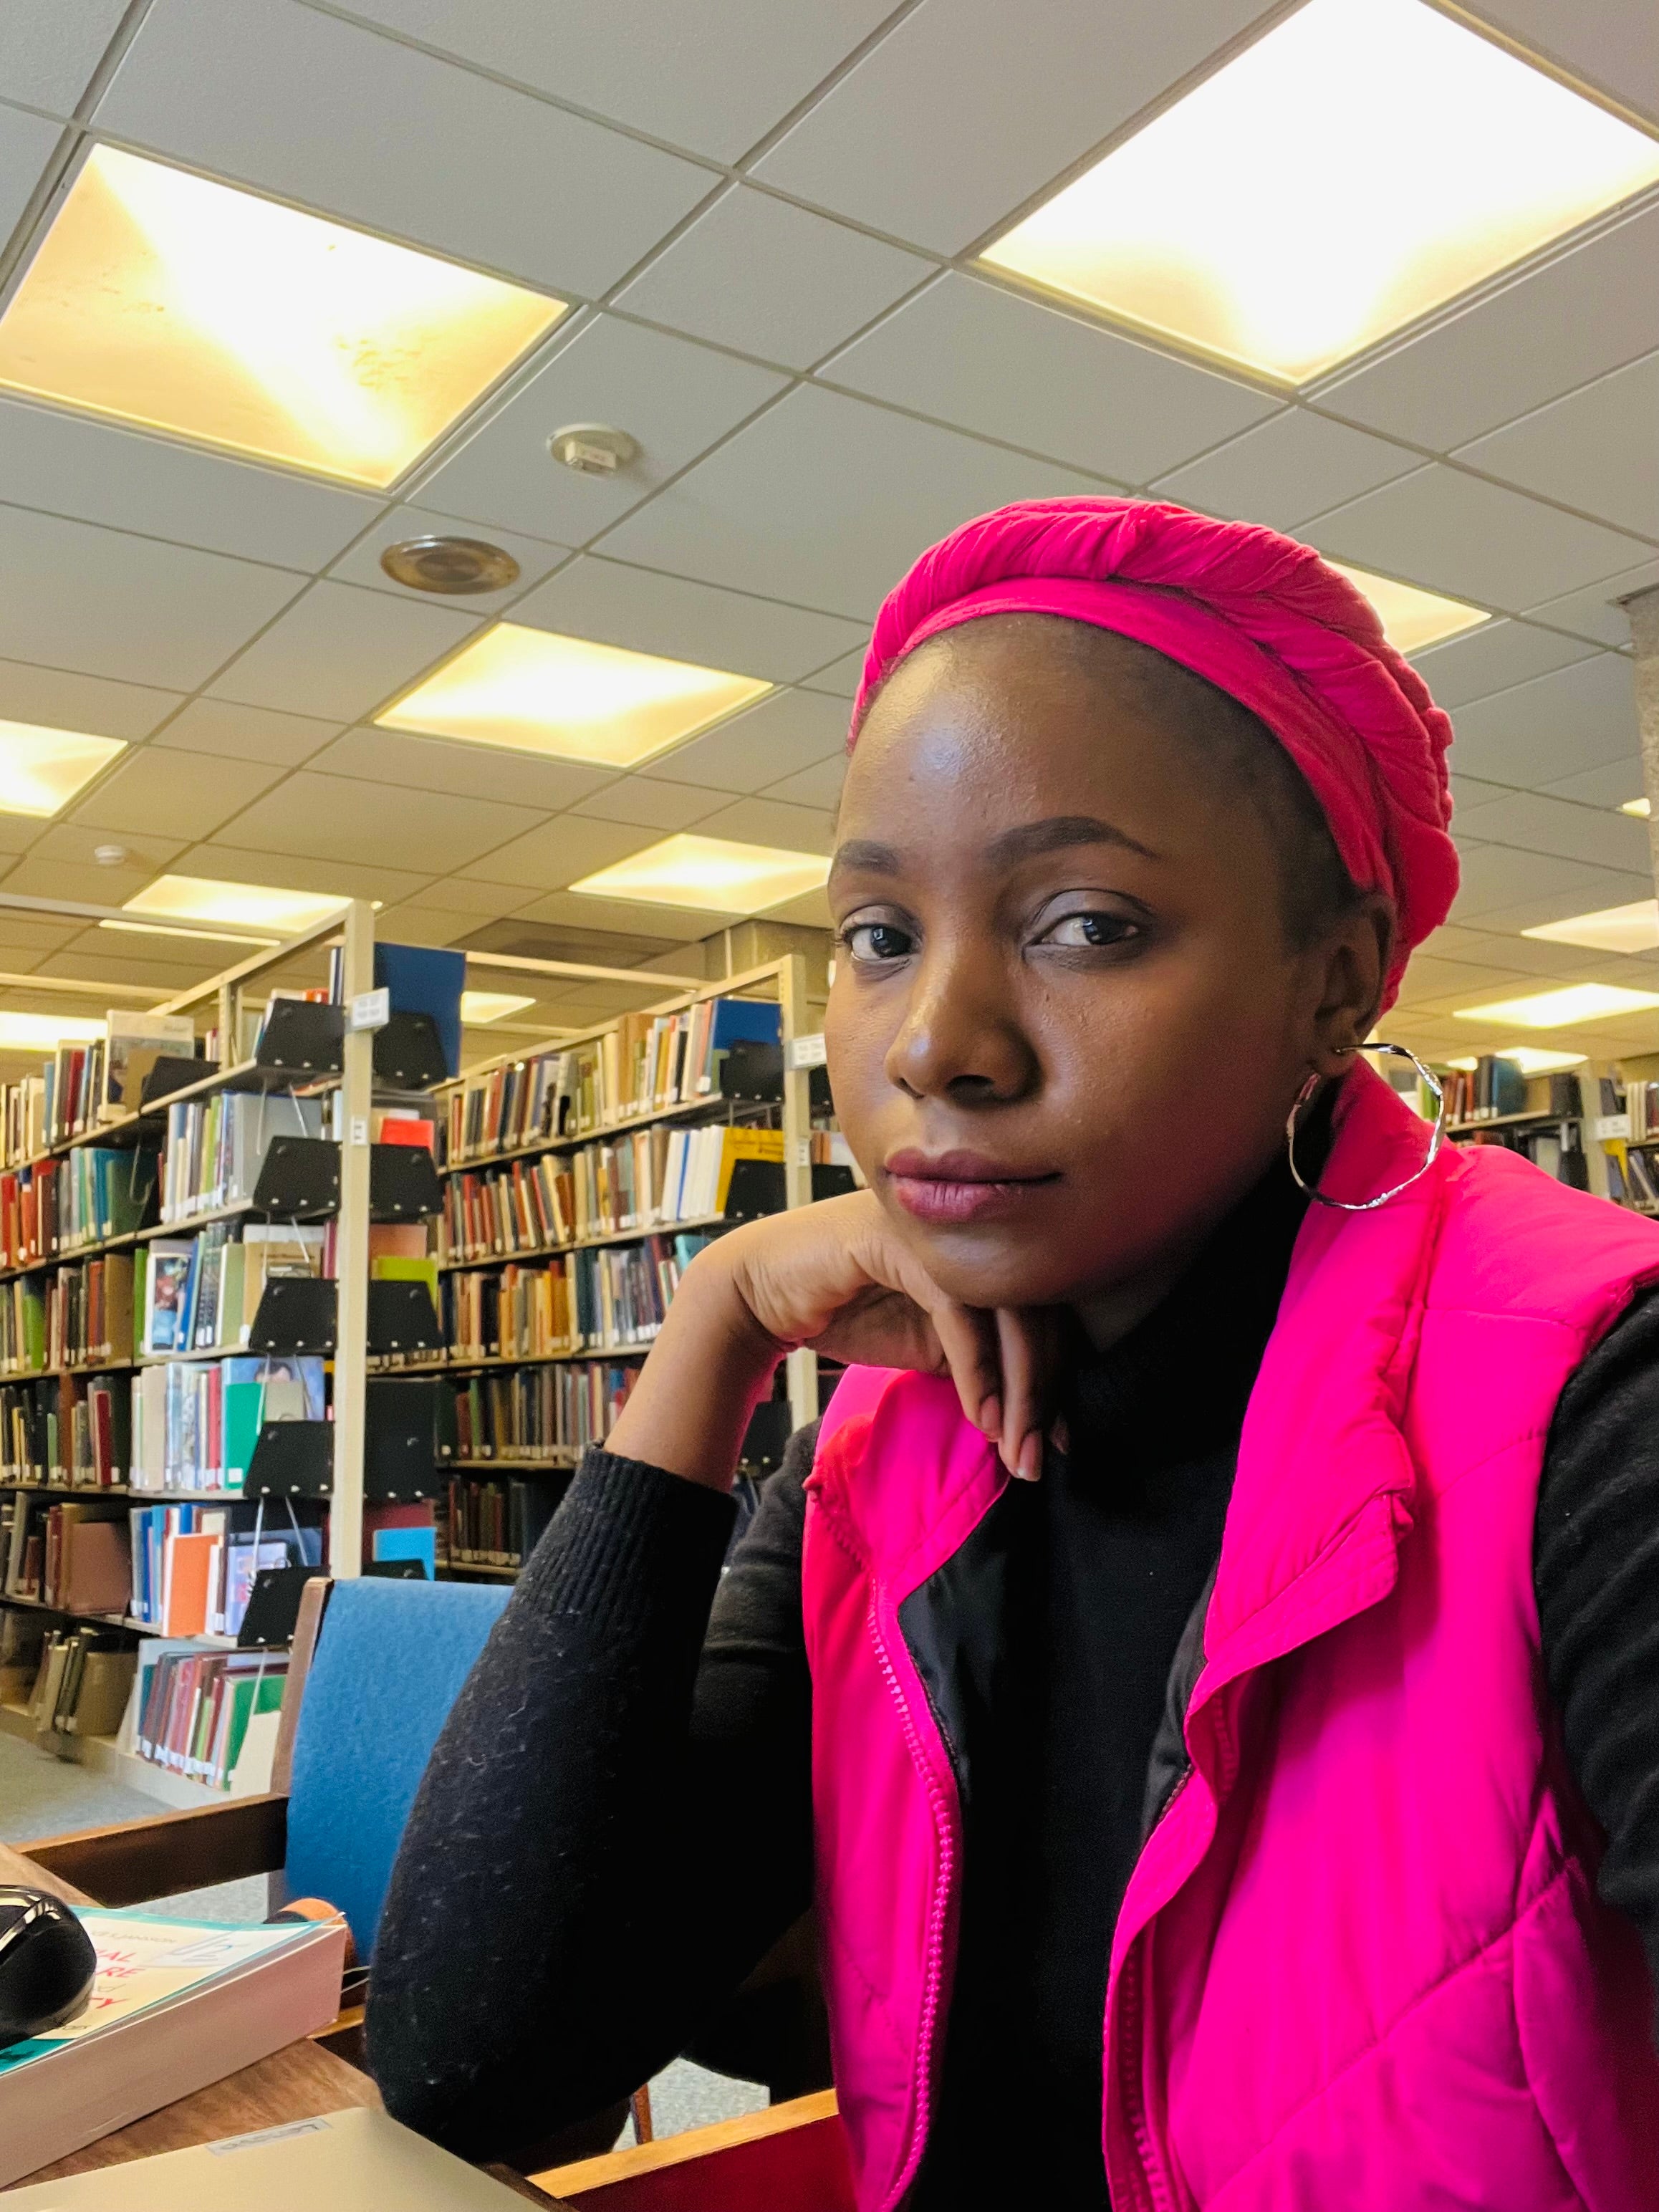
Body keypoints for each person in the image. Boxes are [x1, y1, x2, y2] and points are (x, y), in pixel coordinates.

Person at [368, 499, 1659, 2208]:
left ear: (1335, 983)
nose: (938, 1043)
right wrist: (714, 1330)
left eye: (1087, 924)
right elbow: (478, 2063)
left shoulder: (1592, 1391)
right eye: (880, 935)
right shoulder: (883, 1453)